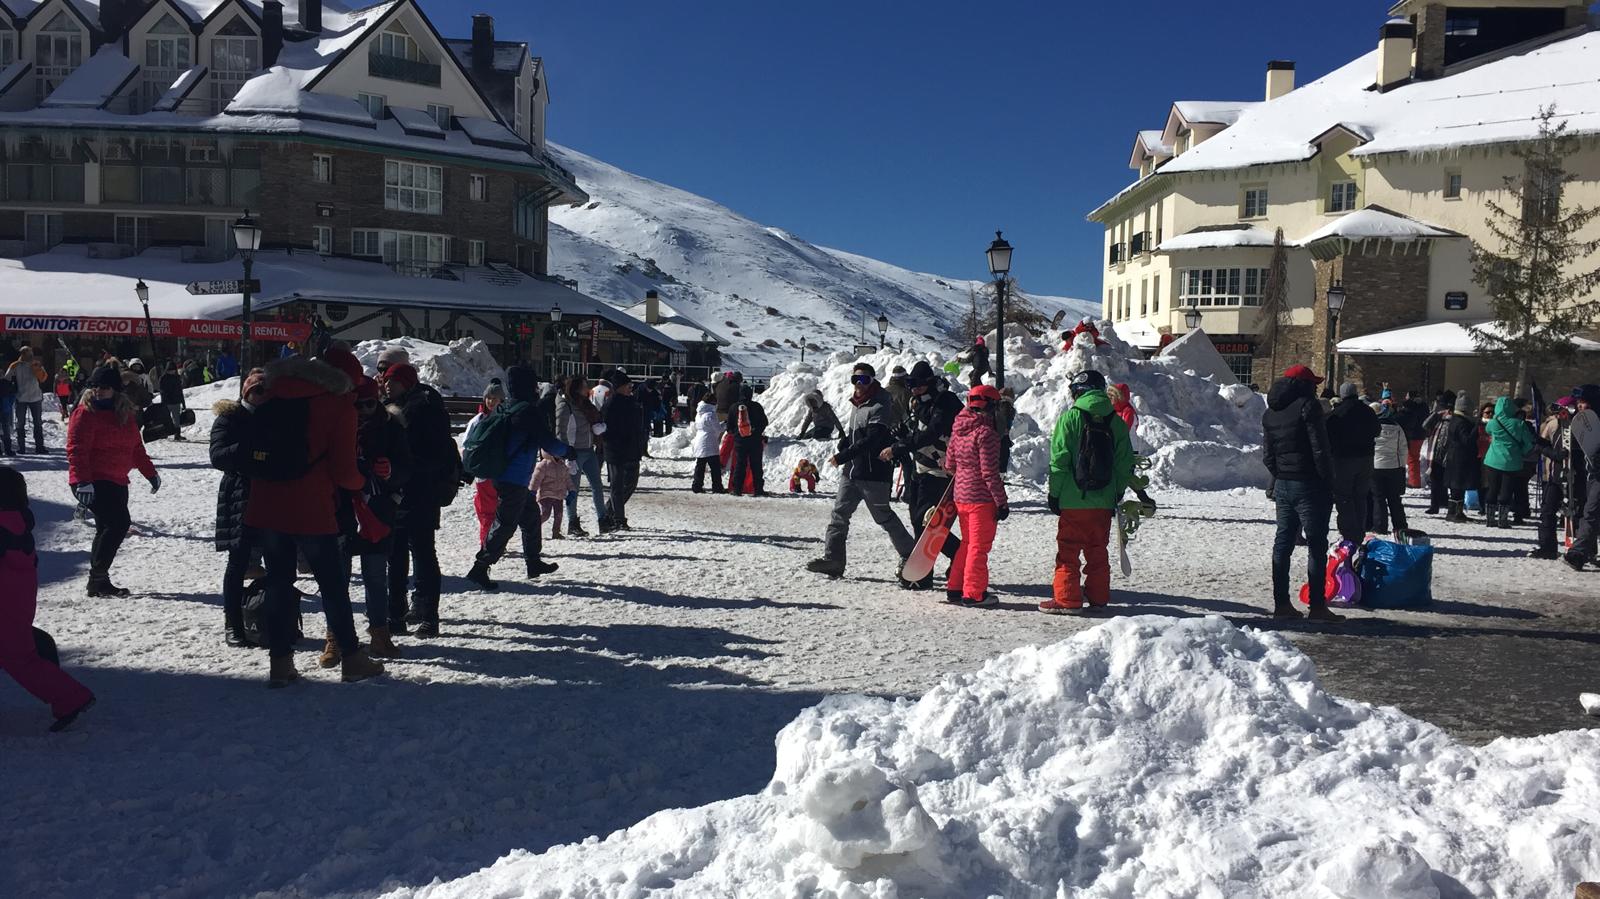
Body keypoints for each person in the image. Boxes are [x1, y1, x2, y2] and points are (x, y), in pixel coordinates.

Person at [247, 353, 383, 687]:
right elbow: (344, 472)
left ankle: (280, 663)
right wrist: (363, 482)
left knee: (278, 582)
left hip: (266, 505)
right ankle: (351, 658)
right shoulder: (337, 406)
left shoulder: (269, 395)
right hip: (312, 508)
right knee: (333, 586)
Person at [0, 466, 96, 732]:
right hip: (17, 605)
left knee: (23, 661)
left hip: (5, 610)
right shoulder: (18, 522)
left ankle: (71, 697)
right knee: (23, 655)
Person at [1039, 369, 1135, 614]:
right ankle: (1098, 598)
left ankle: (1067, 599)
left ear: (1077, 391)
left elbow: (1059, 461)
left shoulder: (1070, 418)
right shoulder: (1115, 421)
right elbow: (1125, 463)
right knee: (1097, 550)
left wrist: (1055, 494)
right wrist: (1117, 491)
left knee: (1068, 551)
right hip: (1103, 501)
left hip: (1073, 499)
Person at [806, 363, 915, 578]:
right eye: (855, 379)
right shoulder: (857, 404)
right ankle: (833, 560)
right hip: (852, 472)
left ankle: (911, 555)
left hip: (873, 473)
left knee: (883, 517)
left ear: (873, 381)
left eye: (864, 379)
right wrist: (845, 443)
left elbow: (873, 439)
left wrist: (843, 455)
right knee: (839, 515)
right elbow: (858, 434)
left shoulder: (880, 405)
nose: (859, 384)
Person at [466, 365, 568, 590]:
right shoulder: (527, 412)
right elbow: (547, 441)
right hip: (514, 478)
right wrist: (567, 451)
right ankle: (479, 567)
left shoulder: (508, 407)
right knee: (505, 524)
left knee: (530, 518)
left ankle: (533, 562)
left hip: (506, 475)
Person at [334, 376, 411, 662]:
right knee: (337, 578)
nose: (363, 410)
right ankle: (337, 636)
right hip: (342, 509)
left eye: (369, 403)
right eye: (357, 404)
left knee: (376, 577)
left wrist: (390, 472)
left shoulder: (392, 427)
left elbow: (406, 467)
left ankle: (380, 633)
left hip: (377, 511)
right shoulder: (339, 426)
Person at [1259, 364, 1343, 622]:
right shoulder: (1308, 406)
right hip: (1310, 484)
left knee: (1283, 541)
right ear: (1304, 385)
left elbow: (1268, 455)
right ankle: (1317, 607)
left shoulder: (1271, 412)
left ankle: (1281, 604)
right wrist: (1328, 480)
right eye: (1313, 384)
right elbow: (1321, 449)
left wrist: (1282, 472)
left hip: (1284, 482)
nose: (1317, 388)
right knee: (1317, 544)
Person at [66, 365, 159, 597]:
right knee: (118, 524)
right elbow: (77, 451)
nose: (98, 391)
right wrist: (81, 481)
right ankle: (98, 577)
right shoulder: (84, 414)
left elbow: (136, 449)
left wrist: (150, 472)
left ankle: (98, 582)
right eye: (94, 386)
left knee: (104, 528)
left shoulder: (125, 415)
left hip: (117, 479)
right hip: (93, 480)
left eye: (104, 387)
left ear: (115, 390)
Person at [381, 362, 456, 636]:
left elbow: (433, 454)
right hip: (404, 491)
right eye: (386, 380)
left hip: (420, 490)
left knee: (420, 553)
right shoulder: (393, 407)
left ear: (407, 382)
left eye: (394, 380)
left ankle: (427, 616)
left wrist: (405, 468)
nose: (388, 385)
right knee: (399, 554)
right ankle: (398, 615)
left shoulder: (423, 409)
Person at [885, 360, 963, 582]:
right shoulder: (916, 402)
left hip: (940, 470)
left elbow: (933, 431)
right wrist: (902, 436)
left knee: (928, 520)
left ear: (929, 382)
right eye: (910, 383)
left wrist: (899, 446)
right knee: (918, 519)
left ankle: (930, 570)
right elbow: (917, 431)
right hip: (920, 466)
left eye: (918, 384)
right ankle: (937, 564)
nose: (914, 388)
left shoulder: (945, 401)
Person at [210, 368, 266, 647]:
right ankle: (232, 622)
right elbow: (218, 456)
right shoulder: (229, 418)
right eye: (258, 391)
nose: (262, 397)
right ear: (246, 393)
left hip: (271, 495)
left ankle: (273, 616)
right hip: (239, 496)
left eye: (267, 392)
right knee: (238, 563)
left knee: (279, 562)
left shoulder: (274, 418)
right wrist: (249, 449)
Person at [943, 384, 1009, 608]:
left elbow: (949, 464)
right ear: (991, 406)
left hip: (960, 496)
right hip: (981, 499)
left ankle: (955, 587)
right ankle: (974, 593)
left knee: (967, 543)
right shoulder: (986, 434)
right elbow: (990, 473)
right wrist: (1001, 502)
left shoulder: (958, 429)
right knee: (978, 547)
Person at [1325, 382, 1380, 543]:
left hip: (1344, 459)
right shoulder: (1368, 411)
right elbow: (1377, 431)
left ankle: (1348, 532)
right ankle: (1359, 530)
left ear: (1342, 395)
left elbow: (1329, 436)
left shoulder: (1337, 413)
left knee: (1344, 496)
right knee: (1360, 496)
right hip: (1366, 458)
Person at [555, 376, 607, 536]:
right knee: (573, 489)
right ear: (576, 388)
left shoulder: (587, 404)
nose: (588, 389)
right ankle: (572, 523)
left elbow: (593, 422)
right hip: (574, 453)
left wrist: (598, 428)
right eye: (585, 386)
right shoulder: (566, 406)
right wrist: (566, 454)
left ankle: (603, 520)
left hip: (589, 450)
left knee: (597, 486)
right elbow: (560, 431)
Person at [601, 370, 646, 528]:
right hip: (615, 450)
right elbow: (604, 427)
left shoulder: (632, 401)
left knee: (631, 484)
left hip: (632, 449)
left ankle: (608, 511)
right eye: (628, 385)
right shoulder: (611, 403)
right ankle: (618, 519)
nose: (630, 388)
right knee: (617, 485)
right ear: (619, 387)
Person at [1482, 396, 1535, 530]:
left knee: (1492, 489)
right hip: (1511, 462)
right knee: (1506, 490)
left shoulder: (1493, 422)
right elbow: (1529, 443)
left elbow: (1487, 431)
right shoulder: (1519, 424)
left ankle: (1490, 518)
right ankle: (1503, 520)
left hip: (1492, 460)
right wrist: (1522, 451)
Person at [463, 380, 506, 546]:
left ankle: (492, 540)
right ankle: (487, 541)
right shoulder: (478, 421)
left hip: (501, 470)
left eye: (495, 399)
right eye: (489, 398)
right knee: (486, 508)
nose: (491, 402)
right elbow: (467, 444)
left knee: (496, 509)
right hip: (484, 471)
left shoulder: (505, 419)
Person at [1530, 399, 1572, 559]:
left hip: (1576, 475)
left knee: (1576, 513)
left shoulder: (1581, 426)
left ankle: (1583, 549)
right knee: (1548, 510)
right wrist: (1553, 454)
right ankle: (1548, 547)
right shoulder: (1553, 424)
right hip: (1555, 474)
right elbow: (1542, 444)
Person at [1564, 384, 1600, 570]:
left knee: (1591, 513)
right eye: (1578, 402)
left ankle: (1578, 553)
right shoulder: (1584, 423)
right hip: (1592, 475)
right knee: (1591, 512)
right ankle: (1589, 551)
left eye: (1583, 402)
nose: (1579, 406)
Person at [1369, 401, 1409, 540]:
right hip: (1394, 466)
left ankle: (1380, 526)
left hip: (1375, 466)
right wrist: (1402, 464)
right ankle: (1400, 525)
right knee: (1394, 498)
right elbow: (1403, 447)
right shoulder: (1396, 427)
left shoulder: (1370, 426)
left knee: (1378, 498)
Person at [1442, 393, 1484, 523]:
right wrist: (1476, 427)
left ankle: (1456, 512)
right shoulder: (1461, 422)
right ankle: (1453, 512)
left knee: (1458, 487)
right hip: (1459, 459)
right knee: (1457, 486)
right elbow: (1467, 440)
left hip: (1456, 458)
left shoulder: (1456, 420)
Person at [727, 384, 768, 497]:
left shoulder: (733, 407)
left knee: (740, 465)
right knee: (756, 466)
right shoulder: (757, 406)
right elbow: (764, 422)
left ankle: (737, 489)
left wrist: (736, 433)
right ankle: (758, 489)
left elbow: (729, 426)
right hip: (755, 441)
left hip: (740, 441)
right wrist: (756, 432)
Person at [1422, 391, 1457, 514]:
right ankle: (1434, 505)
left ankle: (1452, 506)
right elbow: (1425, 426)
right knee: (1435, 481)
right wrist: (1435, 414)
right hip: (1436, 453)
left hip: (1451, 454)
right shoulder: (1439, 418)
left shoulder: (1457, 418)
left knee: (1451, 482)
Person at [7, 346, 47, 454]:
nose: (29, 355)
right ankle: (22, 447)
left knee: (38, 423)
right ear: (22, 354)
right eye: (27, 353)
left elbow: (43, 378)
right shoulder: (15, 365)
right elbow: (7, 379)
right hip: (21, 398)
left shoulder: (36, 364)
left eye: (30, 353)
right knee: (20, 423)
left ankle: (39, 447)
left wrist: (37, 368)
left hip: (35, 397)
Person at [531, 450, 571, 540]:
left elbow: (567, 479)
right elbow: (536, 479)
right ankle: (534, 528)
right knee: (545, 514)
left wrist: (572, 490)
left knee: (559, 515)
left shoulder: (562, 465)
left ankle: (556, 532)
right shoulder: (543, 465)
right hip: (546, 495)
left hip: (559, 495)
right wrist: (532, 490)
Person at [690, 392, 725, 493]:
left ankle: (697, 486)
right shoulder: (710, 414)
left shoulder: (699, 413)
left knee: (700, 465)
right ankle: (717, 487)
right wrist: (725, 424)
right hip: (709, 441)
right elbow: (717, 429)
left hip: (700, 440)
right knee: (715, 467)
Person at [1397, 391, 1430, 488]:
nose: (1405, 397)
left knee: (1412, 459)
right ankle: (1414, 480)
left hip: (1413, 436)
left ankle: (1414, 482)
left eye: (1407, 396)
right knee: (1413, 459)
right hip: (1421, 435)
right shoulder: (1424, 406)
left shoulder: (1412, 407)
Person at [158, 361, 187, 441]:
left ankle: (177, 435)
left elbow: (180, 391)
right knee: (166, 419)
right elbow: (162, 391)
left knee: (176, 419)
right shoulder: (163, 378)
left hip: (176, 401)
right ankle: (165, 433)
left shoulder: (177, 378)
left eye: (173, 370)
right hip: (167, 402)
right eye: (170, 370)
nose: (172, 371)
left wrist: (183, 403)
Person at [0, 372, 15, 457]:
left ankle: (8, 449)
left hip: (5, 409)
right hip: (5, 408)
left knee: (6, 429)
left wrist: (9, 404)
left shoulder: (6, 383)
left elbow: (12, 394)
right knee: (5, 429)